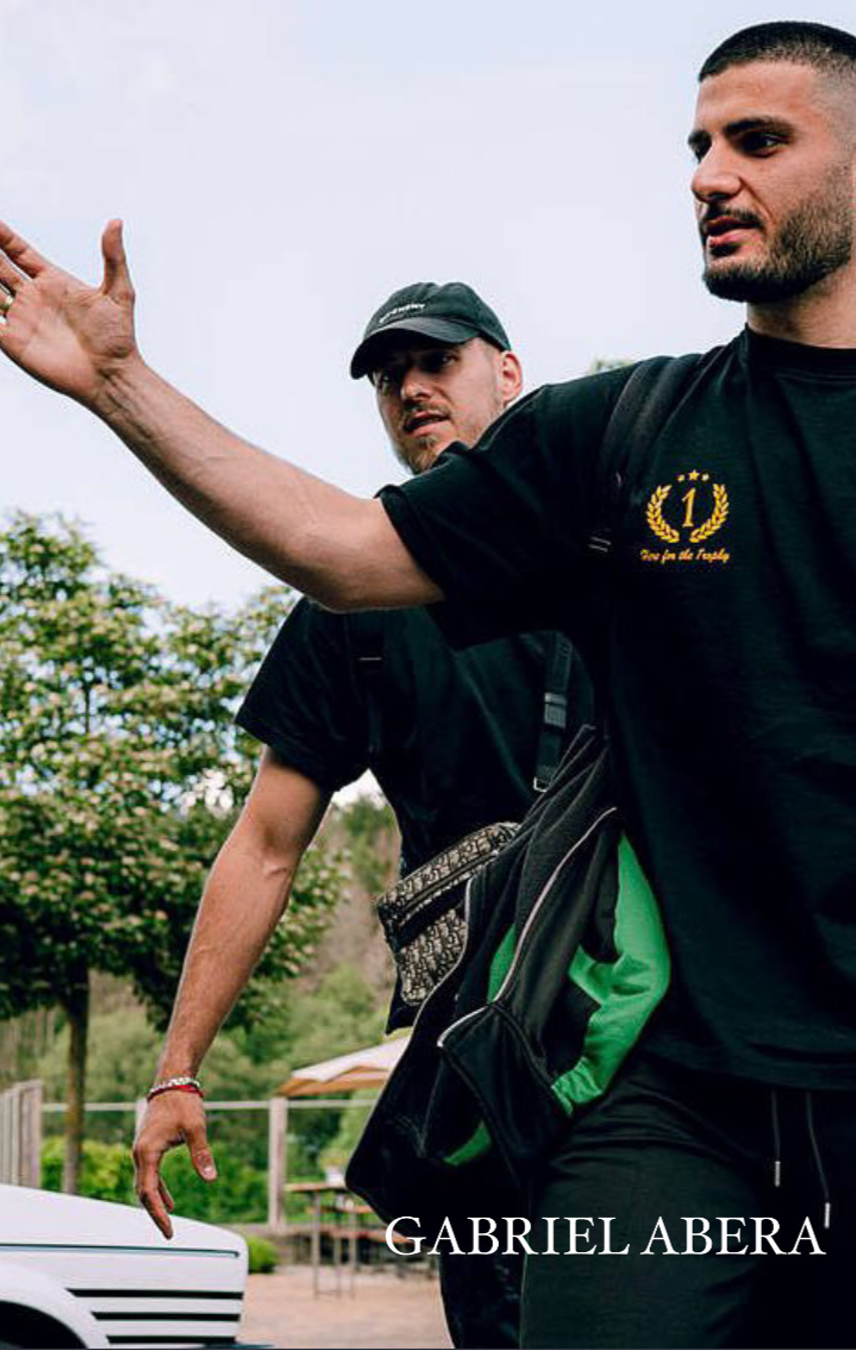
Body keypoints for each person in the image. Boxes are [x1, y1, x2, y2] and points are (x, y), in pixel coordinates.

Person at [0, 20, 856, 1348]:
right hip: (656, 1081)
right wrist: (123, 389)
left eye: (754, 141)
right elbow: (348, 553)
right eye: (696, 145)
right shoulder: (617, 436)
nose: (706, 173)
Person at [127, 282, 592, 1348]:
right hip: (475, 1044)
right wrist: (178, 1068)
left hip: (644, 1016)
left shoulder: (607, 541)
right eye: (390, 376)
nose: (411, 388)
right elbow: (264, 844)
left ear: (508, 374)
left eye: (438, 362)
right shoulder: (351, 605)